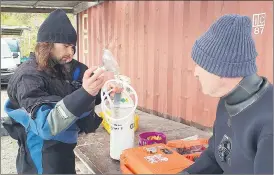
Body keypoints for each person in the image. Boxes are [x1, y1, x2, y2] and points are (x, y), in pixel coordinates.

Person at [3, 9, 119, 174]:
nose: (70, 53)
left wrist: (103, 92)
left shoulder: (67, 68)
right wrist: (86, 92)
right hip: (42, 152)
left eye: (73, 47)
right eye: (65, 46)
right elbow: (45, 125)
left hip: (65, 146)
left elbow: (78, 94)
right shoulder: (28, 77)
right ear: (47, 44)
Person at [181, 14, 273, 174]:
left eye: (199, 65)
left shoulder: (268, 126)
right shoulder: (227, 101)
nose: (195, 72)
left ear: (222, 69)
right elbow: (215, 156)